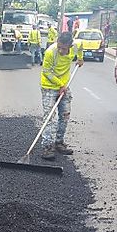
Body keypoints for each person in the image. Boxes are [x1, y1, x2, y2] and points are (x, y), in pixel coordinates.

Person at [39, 32, 83, 160]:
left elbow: (81, 47)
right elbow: (46, 72)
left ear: (70, 45)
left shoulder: (75, 46)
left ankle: (59, 142)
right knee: (49, 117)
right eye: (59, 46)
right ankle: (47, 147)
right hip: (49, 86)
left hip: (64, 85)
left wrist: (80, 58)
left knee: (65, 115)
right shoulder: (50, 52)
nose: (60, 50)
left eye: (64, 48)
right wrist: (60, 85)